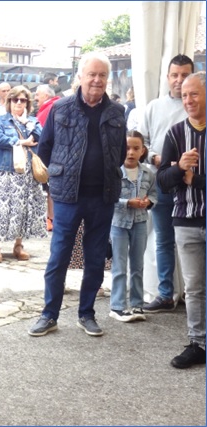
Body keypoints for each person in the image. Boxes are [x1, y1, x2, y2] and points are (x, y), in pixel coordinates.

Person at [29, 52, 126, 337]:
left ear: (107, 80)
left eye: (102, 75)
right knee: (59, 256)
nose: (97, 80)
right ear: (81, 77)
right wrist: (59, 177)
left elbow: (119, 154)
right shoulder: (61, 108)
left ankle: (86, 314)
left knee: (95, 258)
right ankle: (49, 314)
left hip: (103, 196)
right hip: (67, 196)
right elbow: (44, 149)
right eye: (92, 74)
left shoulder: (117, 112)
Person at [156, 72, 205, 369]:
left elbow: (188, 180)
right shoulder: (175, 134)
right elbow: (163, 182)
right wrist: (179, 170)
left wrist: (193, 178)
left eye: (194, 94)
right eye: (185, 95)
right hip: (185, 221)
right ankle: (198, 343)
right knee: (195, 287)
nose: (188, 100)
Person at [139, 54, 194, 313]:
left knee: (194, 239)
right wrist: (158, 158)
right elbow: (142, 144)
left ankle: (193, 295)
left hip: (193, 184)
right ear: (168, 77)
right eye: (175, 75)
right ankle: (165, 294)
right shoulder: (153, 107)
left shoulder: (196, 105)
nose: (179, 80)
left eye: (185, 75)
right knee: (163, 239)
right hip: (161, 181)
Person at [0, 86, 46, 263]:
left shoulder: (33, 121)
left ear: (28, 103)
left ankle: (18, 245)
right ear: (9, 102)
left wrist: (27, 124)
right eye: (15, 100)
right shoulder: (2, 120)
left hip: (26, 172)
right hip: (5, 171)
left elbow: (41, 136)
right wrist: (20, 142)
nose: (19, 103)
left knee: (23, 209)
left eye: (23, 100)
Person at [109, 130, 157, 322]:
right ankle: (118, 306)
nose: (131, 152)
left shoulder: (148, 172)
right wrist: (127, 202)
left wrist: (148, 202)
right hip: (119, 223)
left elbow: (154, 195)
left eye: (135, 148)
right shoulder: (114, 170)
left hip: (140, 222)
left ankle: (137, 304)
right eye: (127, 148)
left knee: (137, 265)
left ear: (143, 150)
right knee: (120, 266)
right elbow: (109, 198)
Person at [34, 84, 60, 231]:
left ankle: (52, 218)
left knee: (51, 188)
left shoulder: (51, 108)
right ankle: (51, 218)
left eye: (38, 94)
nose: (35, 97)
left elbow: (44, 138)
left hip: (52, 158)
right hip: (54, 157)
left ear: (46, 95)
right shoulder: (53, 106)